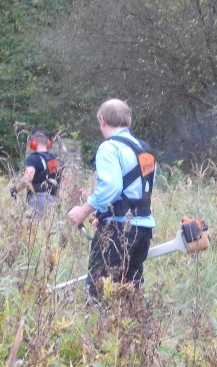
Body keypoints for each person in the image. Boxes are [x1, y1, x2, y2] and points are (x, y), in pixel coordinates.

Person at [67, 99, 156, 299]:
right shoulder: (145, 151)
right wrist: (104, 213)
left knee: (98, 295)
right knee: (129, 296)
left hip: (117, 232)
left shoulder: (109, 148)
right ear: (129, 121)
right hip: (143, 232)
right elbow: (139, 192)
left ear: (102, 120)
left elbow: (112, 186)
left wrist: (83, 211)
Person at [12, 128, 61, 217]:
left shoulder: (33, 158)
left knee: (37, 228)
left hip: (38, 199)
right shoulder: (55, 158)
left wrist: (16, 189)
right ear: (48, 143)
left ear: (32, 143)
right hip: (54, 200)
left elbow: (28, 178)